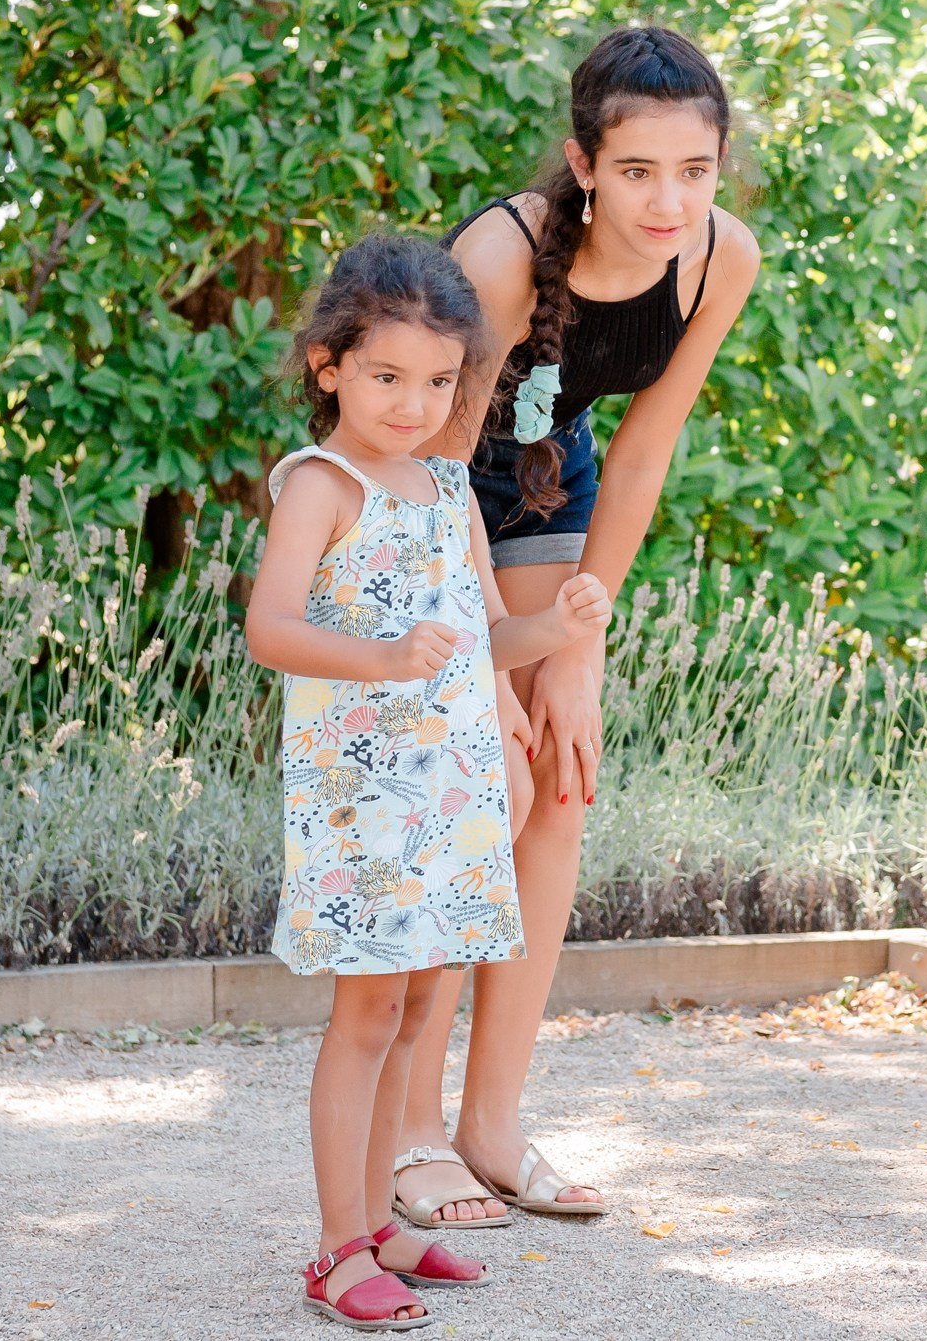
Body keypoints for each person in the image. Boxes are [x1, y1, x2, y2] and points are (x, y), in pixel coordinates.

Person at [384, 26, 761, 1228]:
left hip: (554, 480)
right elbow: (435, 468)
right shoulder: (502, 254)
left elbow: (643, 451)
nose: (668, 202)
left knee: (561, 775)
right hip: (426, 488)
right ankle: (406, 1127)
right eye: (637, 170)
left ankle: (492, 1123)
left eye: (694, 171)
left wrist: (575, 651)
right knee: (482, 777)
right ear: (584, 162)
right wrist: (492, 670)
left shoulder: (720, 259)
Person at [244, 232, 614, 1324]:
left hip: (446, 797)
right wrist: (380, 656)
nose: (414, 405)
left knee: (413, 1014)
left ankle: (382, 1224)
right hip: (364, 800)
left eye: (440, 382)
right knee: (366, 1015)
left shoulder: (451, 487)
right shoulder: (321, 485)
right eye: (387, 377)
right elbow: (270, 628)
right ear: (330, 368)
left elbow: (485, 638)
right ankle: (334, 1249)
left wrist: (561, 624)